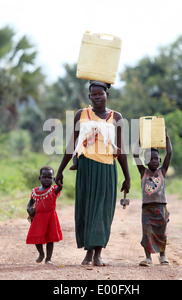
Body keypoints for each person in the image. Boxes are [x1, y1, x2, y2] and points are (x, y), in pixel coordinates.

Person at [55, 80, 131, 266]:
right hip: (86, 168)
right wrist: (60, 170)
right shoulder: (81, 115)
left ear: (107, 95)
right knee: (86, 209)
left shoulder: (116, 117)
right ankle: (88, 253)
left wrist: (127, 176)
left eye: (101, 93)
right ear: (89, 96)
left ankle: (97, 254)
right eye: (94, 94)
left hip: (107, 169)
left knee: (103, 211)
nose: (97, 97)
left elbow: (120, 149)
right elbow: (72, 144)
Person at [133, 130, 172, 266]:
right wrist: (139, 140)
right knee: (147, 232)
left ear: (160, 160)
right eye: (150, 159)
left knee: (162, 232)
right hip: (147, 208)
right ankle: (148, 258)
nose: (153, 161)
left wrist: (166, 138)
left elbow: (169, 153)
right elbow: (135, 154)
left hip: (161, 207)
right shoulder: (143, 172)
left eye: (156, 159)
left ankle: (163, 256)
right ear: (145, 161)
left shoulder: (162, 171)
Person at [26, 166, 63, 265]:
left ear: (53, 179)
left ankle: (48, 259)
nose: (47, 179)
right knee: (36, 237)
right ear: (40, 178)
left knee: (50, 239)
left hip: (50, 217)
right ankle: (41, 253)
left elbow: (59, 189)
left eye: (50, 177)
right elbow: (30, 203)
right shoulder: (35, 191)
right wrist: (29, 209)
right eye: (44, 177)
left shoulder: (53, 190)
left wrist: (60, 184)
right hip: (38, 218)